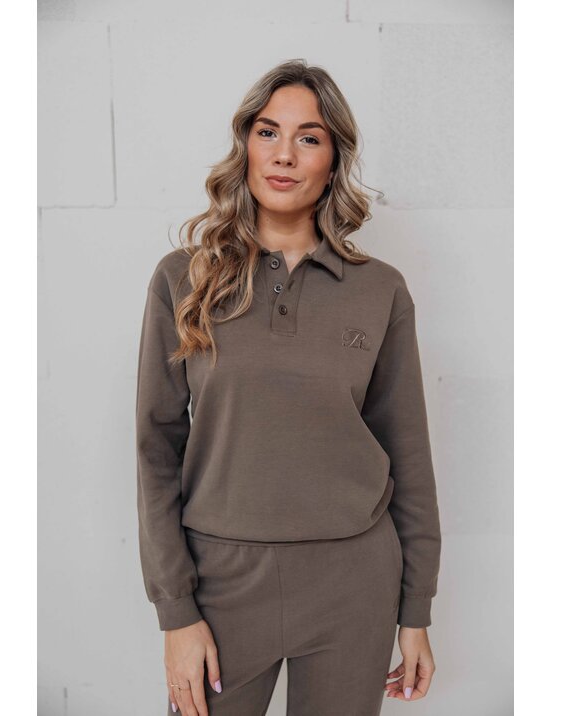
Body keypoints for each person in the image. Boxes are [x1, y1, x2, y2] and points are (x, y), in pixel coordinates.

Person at [135, 59, 442, 716]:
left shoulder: (380, 290)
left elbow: (408, 453)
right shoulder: (182, 279)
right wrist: (175, 611)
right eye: (268, 132)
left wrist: (416, 611)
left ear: (333, 161)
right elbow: (155, 450)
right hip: (221, 585)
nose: (284, 154)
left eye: (309, 137)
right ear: (245, 144)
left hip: (353, 584)